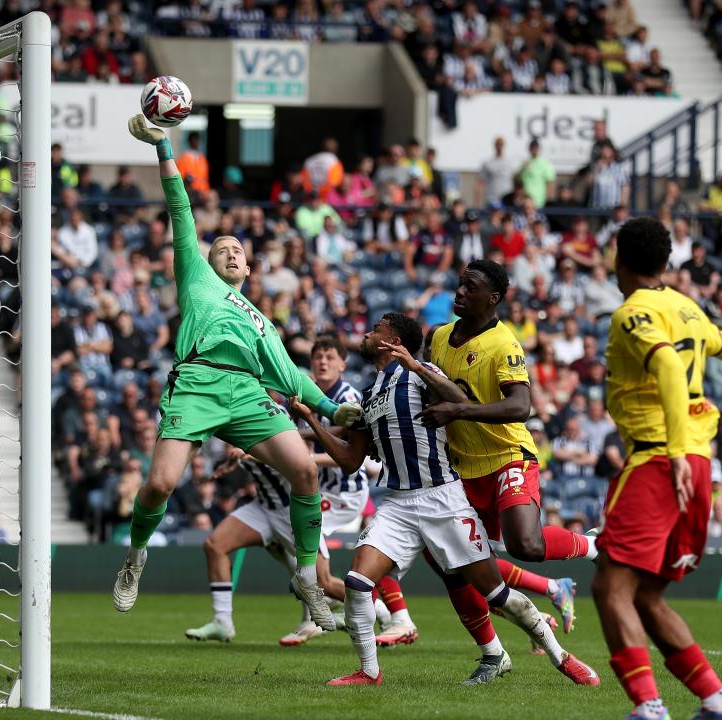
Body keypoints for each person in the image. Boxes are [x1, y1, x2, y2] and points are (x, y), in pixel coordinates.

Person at [113, 116, 362, 629]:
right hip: (198, 383)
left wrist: (332, 409)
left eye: (238, 250)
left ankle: (308, 579)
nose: (229, 252)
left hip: (248, 394)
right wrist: (163, 148)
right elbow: (181, 209)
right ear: (206, 262)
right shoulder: (196, 278)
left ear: (248, 268)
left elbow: (290, 377)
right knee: (159, 484)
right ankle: (136, 556)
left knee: (305, 472)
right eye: (221, 248)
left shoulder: (261, 321)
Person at [294, 313, 598, 687]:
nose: (368, 333)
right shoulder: (369, 394)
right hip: (398, 504)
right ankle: (369, 672)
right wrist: (310, 420)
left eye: (377, 329)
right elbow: (350, 459)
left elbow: (459, 401)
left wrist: (414, 365)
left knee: (497, 594)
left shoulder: (422, 373)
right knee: (357, 582)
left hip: (443, 499)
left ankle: (560, 655)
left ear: (394, 340)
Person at [592, 217, 722, 720]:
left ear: (620, 258)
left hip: (661, 459)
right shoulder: (688, 308)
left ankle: (649, 707)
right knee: (647, 595)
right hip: (697, 462)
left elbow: (670, 367)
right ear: (665, 261)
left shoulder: (632, 313)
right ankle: (718, 701)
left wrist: (674, 450)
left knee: (610, 586)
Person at [184, 337, 415, 647]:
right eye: (318, 356)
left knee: (317, 576)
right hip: (277, 500)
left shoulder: (339, 398)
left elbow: (331, 450)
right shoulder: (282, 401)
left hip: (336, 494)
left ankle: (383, 613)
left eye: (329, 357)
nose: (322, 362)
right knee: (216, 544)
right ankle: (226, 622)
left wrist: (274, 452)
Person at [420, 260, 598, 637]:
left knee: (526, 545)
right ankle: (497, 648)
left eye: (471, 287)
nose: (460, 291)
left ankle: (591, 544)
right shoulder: (438, 337)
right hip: (462, 468)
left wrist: (458, 410)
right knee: (455, 562)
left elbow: (520, 406)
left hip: (507, 456)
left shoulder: (504, 344)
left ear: (493, 298)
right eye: (460, 283)